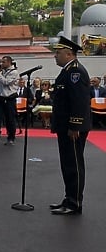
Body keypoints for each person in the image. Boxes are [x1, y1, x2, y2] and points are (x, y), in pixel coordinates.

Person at [48, 36, 90, 215]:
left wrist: (75, 126)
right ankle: (69, 198)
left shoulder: (75, 72)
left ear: (69, 54)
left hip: (72, 128)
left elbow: (79, 101)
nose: (55, 56)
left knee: (74, 165)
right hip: (65, 126)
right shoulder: (67, 71)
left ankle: (74, 203)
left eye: (58, 53)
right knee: (67, 164)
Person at [0, 55, 20, 145]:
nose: (1, 64)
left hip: (9, 98)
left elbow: (6, 82)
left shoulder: (14, 72)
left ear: (9, 62)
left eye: (3, 62)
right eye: (1, 62)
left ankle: (11, 138)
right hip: (0, 97)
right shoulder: (1, 71)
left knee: (10, 119)